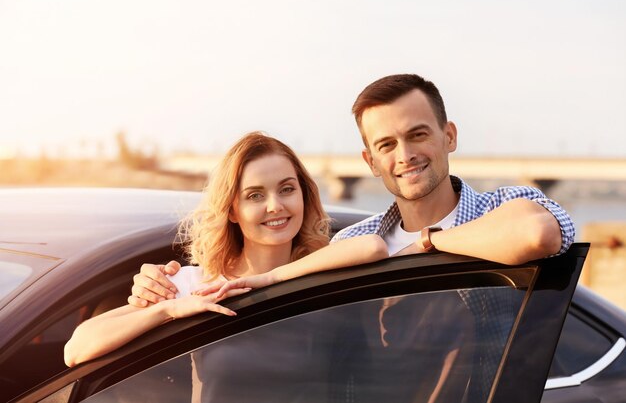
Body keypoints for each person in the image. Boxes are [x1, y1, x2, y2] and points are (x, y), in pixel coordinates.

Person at [129, 73, 574, 302]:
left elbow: (537, 236)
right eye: (386, 144)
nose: (404, 156)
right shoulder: (354, 241)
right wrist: (162, 282)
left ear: (449, 136)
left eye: (418, 135)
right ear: (371, 162)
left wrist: (425, 244)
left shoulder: (503, 207)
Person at [63, 132, 389, 368]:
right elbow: (76, 349)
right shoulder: (198, 284)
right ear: (232, 210)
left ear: (303, 195)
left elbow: (373, 246)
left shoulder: (319, 271)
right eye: (255, 195)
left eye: (287, 189)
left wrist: (271, 280)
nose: (275, 206)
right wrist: (166, 311)